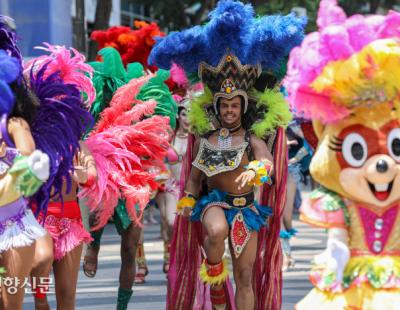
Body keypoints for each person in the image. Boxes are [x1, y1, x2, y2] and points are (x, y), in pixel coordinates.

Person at [149, 1, 305, 308]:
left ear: (243, 108)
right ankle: (213, 266)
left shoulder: (251, 138)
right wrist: (188, 200)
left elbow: (267, 164)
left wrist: (257, 171)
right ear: (217, 108)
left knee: (245, 278)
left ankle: (222, 283)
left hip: (246, 209)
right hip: (214, 204)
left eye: (235, 105)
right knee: (217, 230)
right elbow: (194, 178)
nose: (230, 110)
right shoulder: (206, 138)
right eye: (225, 105)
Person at [284, 0, 400, 308]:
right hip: (354, 281)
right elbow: (337, 240)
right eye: (358, 150)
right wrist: (334, 258)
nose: (383, 164)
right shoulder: (339, 203)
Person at [0, 17, 50, 309]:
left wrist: (9, 154)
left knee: (11, 302)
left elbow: (31, 162)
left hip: (13, 226)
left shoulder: (15, 123)